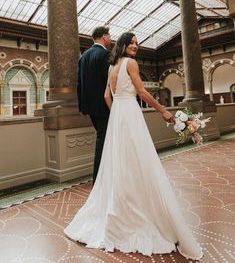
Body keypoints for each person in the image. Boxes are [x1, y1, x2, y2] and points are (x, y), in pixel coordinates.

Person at [65, 32, 203, 260]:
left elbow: (107, 96)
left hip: (119, 113)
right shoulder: (130, 63)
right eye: (131, 43)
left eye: (137, 43)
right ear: (122, 44)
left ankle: (122, 204)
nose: (135, 46)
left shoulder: (112, 66)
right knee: (139, 159)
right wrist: (163, 110)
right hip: (129, 113)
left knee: (120, 160)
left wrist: (116, 111)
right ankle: (139, 209)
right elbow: (141, 91)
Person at [77, 26, 111, 185]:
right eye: (109, 36)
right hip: (105, 106)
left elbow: (79, 83)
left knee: (105, 140)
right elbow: (109, 82)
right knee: (103, 142)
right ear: (104, 37)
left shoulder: (83, 56)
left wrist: (83, 106)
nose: (110, 39)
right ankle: (98, 181)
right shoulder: (105, 54)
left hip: (90, 108)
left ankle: (109, 175)